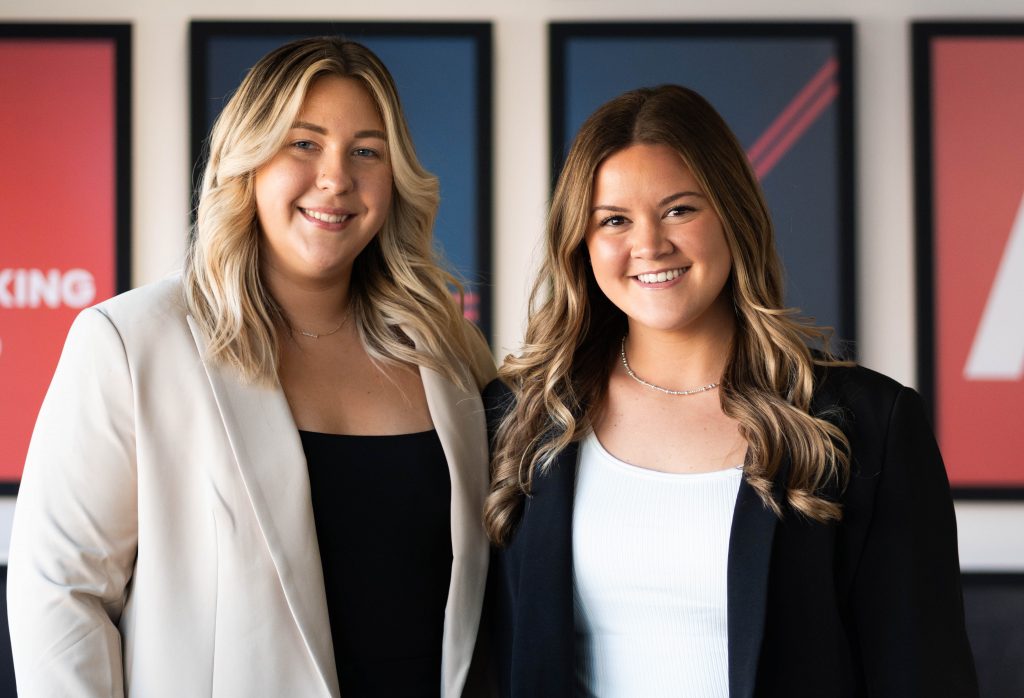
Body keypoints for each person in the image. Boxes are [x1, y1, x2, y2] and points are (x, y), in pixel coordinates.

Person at [8, 37, 496, 697]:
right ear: (249, 161)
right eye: (304, 143)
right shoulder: (130, 343)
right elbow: (61, 593)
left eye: (366, 151)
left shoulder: (449, 351)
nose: (336, 178)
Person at [482, 85, 977, 697]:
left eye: (679, 210)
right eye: (614, 220)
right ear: (581, 243)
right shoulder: (519, 418)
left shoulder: (867, 423)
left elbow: (922, 673)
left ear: (733, 216)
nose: (649, 245)